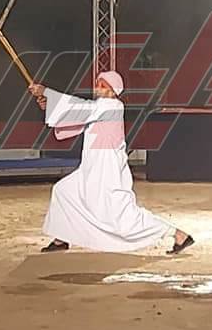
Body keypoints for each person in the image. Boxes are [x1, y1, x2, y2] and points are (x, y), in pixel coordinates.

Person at [27, 71, 194, 254]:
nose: (97, 88)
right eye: (97, 84)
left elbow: (80, 110)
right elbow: (79, 115)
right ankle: (61, 239)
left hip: (108, 170)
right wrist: (50, 105)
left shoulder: (113, 106)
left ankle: (177, 234)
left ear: (114, 90)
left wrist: (47, 93)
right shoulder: (100, 108)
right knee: (64, 191)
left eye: (102, 85)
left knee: (122, 216)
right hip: (92, 168)